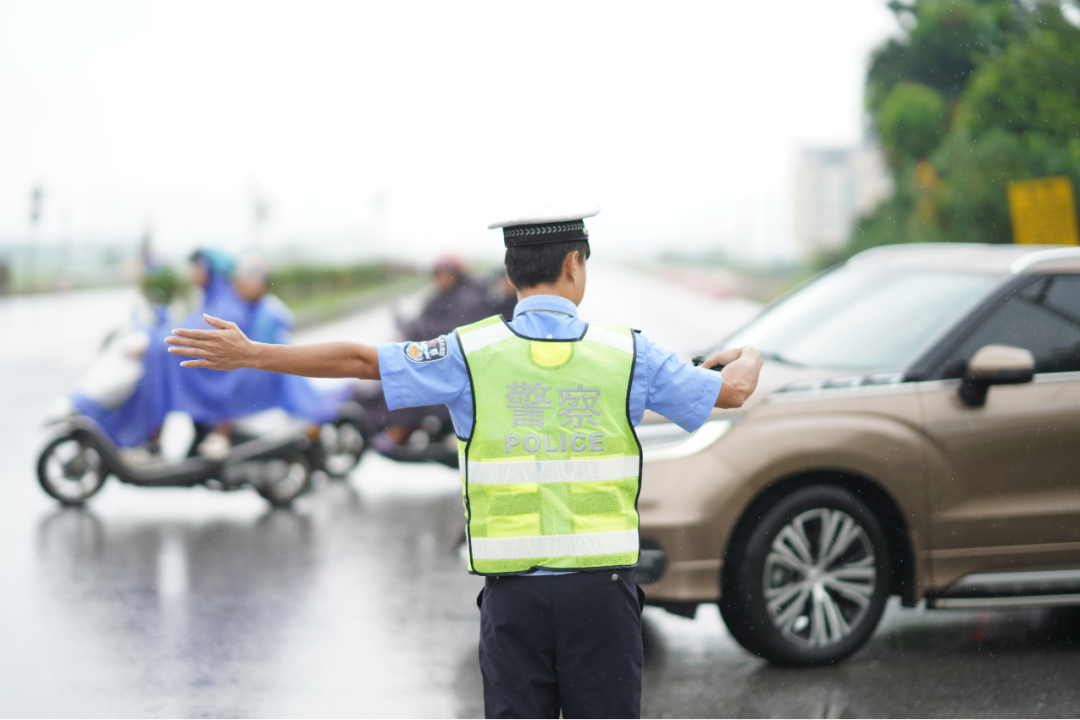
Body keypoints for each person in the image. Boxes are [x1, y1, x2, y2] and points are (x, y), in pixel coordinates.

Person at [164, 203, 763, 718]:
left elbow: (359, 362)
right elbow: (731, 392)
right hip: (602, 599)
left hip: (512, 603)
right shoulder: (628, 353)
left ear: (510, 272)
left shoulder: (468, 352)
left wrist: (252, 353)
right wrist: (749, 355)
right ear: (576, 265)